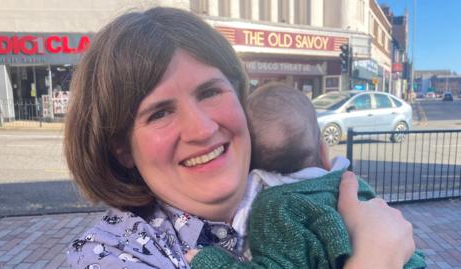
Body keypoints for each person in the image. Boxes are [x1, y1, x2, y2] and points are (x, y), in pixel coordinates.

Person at [65, 7, 415, 269]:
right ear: (122, 148)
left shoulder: (318, 192)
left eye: (210, 92)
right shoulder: (114, 253)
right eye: (159, 113)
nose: (201, 129)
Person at [185, 83, 425, 269]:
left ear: (252, 166)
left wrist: (212, 261)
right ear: (323, 150)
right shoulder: (352, 185)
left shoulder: (277, 209)